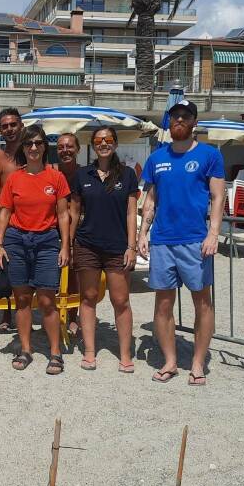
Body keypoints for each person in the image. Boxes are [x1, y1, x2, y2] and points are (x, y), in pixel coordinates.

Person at [138, 99, 225, 386]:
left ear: (194, 122)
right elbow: (150, 200)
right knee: (163, 304)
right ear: (169, 122)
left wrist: (213, 234)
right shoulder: (156, 159)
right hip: (163, 241)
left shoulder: (209, 156)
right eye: (174, 116)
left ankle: (198, 363)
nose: (179, 120)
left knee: (202, 302)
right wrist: (142, 234)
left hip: (195, 241)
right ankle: (170, 361)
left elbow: (217, 197)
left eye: (185, 116)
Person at [0, 125, 70, 374]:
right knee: (23, 299)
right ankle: (25, 349)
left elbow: (63, 215)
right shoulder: (15, 177)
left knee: (48, 299)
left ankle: (55, 353)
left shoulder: (56, 177)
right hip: (17, 240)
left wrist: (65, 246)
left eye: (38, 143)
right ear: (23, 148)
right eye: (29, 144)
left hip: (47, 241)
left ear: (44, 146)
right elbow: (5, 212)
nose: (34, 148)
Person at [70, 127, 138, 372]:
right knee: (88, 298)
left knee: (121, 300)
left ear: (115, 144)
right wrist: (69, 243)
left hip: (117, 246)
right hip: (87, 244)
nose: (103, 144)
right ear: (93, 145)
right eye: (99, 140)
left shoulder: (128, 175)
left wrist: (132, 246)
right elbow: (74, 212)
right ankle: (89, 352)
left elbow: (132, 212)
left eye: (108, 140)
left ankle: (125, 354)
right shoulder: (82, 174)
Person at [0, 107, 23, 330]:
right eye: (5, 126)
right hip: (7, 223)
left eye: (13, 124)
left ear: (21, 126)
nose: (9, 129)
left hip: (32, 222)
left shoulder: (33, 151)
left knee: (26, 273)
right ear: (0, 131)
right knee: (5, 272)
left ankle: (25, 312)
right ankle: (5, 314)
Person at [53, 132, 81, 334]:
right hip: (53, 230)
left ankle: (72, 316)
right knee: (51, 276)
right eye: (61, 147)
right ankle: (52, 315)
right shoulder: (51, 172)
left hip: (79, 232)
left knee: (74, 275)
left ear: (78, 149)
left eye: (69, 146)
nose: (65, 151)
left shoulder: (85, 173)